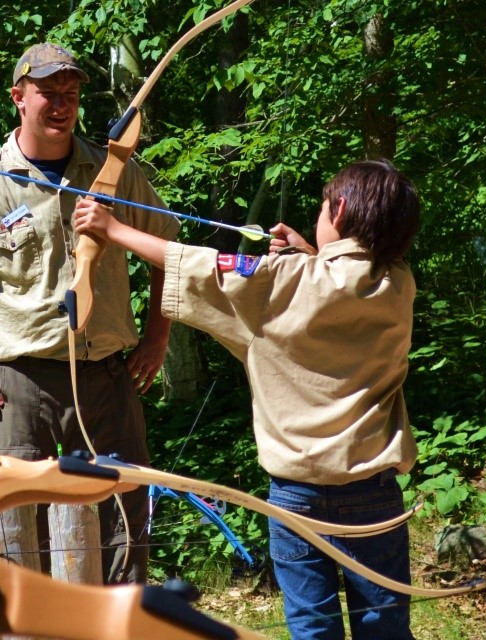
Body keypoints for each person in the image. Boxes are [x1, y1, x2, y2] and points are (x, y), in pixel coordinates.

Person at [75, 158, 420, 638]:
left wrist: (111, 227)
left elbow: (192, 264)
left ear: (338, 211)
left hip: (296, 497)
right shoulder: (397, 284)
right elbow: (340, 274)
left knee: (313, 628)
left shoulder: (278, 283)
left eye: (323, 208)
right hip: (374, 493)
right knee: (383, 628)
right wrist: (308, 250)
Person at [0, 42, 179, 584]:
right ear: (18, 97)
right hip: (17, 389)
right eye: (48, 92)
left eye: (70, 94)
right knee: (22, 539)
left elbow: (167, 250)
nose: (61, 104)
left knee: (123, 529)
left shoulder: (115, 170)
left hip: (109, 380)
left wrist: (158, 336)